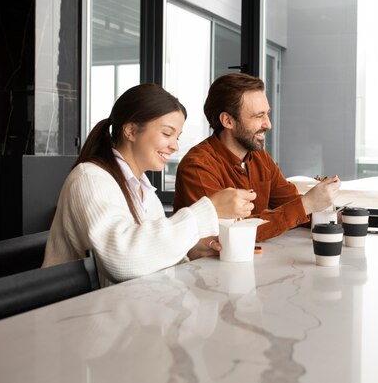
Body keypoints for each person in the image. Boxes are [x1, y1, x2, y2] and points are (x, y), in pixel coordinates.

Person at [43, 84, 256, 286]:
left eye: (178, 137)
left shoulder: (143, 190)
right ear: (131, 131)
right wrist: (209, 209)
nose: (175, 146)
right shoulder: (90, 178)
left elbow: (147, 251)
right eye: (167, 133)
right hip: (73, 315)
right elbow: (122, 259)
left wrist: (189, 250)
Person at [173, 73, 340, 242]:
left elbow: (290, 204)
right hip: (208, 266)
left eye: (267, 114)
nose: (268, 124)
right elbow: (230, 234)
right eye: (259, 116)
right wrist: (307, 204)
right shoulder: (197, 167)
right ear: (228, 121)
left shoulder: (259, 157)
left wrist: (341, 217)